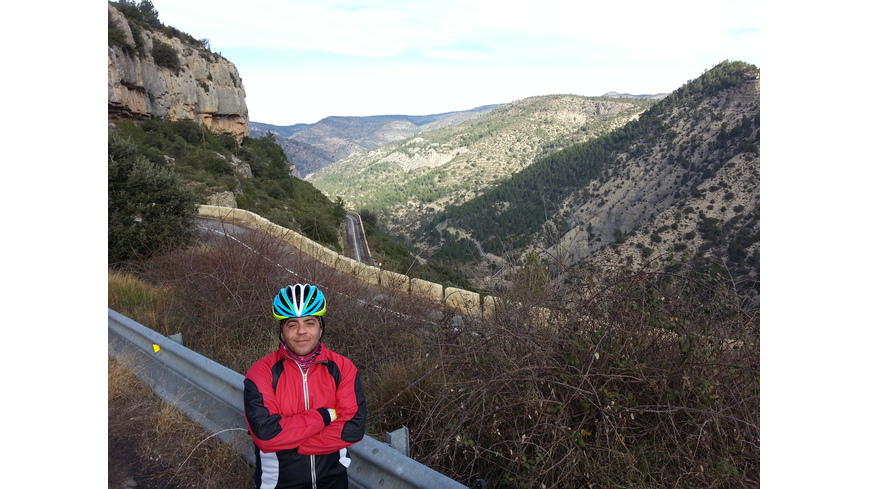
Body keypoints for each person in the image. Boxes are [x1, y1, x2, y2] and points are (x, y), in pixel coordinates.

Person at [243, 284, 367, 489]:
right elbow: (267, 435)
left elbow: (352, 428)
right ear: (282, 331)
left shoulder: (343, 368)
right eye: (292, 324)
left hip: (333, 481)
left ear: (320, 327)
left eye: (309, 322)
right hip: (278, 484)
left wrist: (294, 444)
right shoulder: (261, 372)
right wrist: (325, 416)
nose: (301, 331)